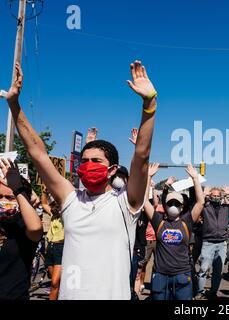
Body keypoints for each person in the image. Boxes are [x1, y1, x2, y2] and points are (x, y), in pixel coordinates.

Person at [5, 61, 157, 300]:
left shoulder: (127, 203)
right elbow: (38, 153)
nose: (88, 166)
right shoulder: (70, 199)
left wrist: (149, 105)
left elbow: (141, 155)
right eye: (84, 161)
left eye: (96, 161)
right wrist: (14, 105)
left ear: (112, 170)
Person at [143, 164, 205, 300]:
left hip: (182, 275)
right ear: (165, 205)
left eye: (177, 204)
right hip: (160, 275)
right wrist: (148, 176)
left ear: (182, 206)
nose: (173, 206)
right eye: (170, 203)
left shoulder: (187, 221)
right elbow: (145, 202)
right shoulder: (159, 221)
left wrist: (195, 178)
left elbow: (200, 202)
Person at [0, 159, 43, 300]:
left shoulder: (23, 226)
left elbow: (36, 227)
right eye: (0, 197)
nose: (4, 201)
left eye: (10, 197)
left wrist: (18, 189)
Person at [196, 186, 229, 300]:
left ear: (221, 197)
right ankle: (200, 292)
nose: (216, 197)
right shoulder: (205, 207)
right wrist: (203, 194)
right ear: (210, 196)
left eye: (218, 196)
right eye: (214, 196)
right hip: (208, 242)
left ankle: (213, 292)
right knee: (203, 269)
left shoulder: (226, 208)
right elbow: (197, 204)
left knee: (218, 271)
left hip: (222, 243)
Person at [41, 192, 64, 300]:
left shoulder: (67, 215)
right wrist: (44, 192)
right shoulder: (53, 214)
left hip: (61, 247)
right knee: (56, 284)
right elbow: (44, 203)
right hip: (50, 247)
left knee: (55, 283)